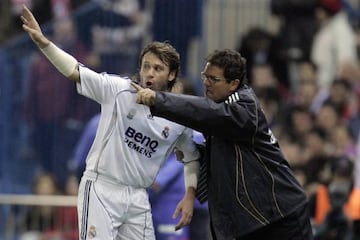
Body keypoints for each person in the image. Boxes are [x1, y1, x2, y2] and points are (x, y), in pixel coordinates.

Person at [21, 5, 201, 240]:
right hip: (101, 189)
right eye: (146, 66)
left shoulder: (179, 118)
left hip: (137, 196)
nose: (149, 73)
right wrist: (44, 43)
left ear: (172, 75)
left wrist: (189, 195)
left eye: (158, 68)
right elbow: (75, 70)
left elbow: (192, 158)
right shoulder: (118, 90)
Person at [132, 49, 314, 239]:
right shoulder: (223, 109)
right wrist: (200, 158)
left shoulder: (243, 107)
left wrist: (159, 100)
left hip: (282, 217)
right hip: (257, 222)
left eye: (214, 79)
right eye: (205, 76)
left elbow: (210, 113)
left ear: (233, 84)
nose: (206, 83)